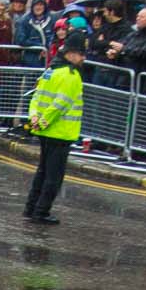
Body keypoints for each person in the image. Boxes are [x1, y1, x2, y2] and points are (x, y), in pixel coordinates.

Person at [22, 31, 84, 225]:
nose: (83, 58)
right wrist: (44, 121)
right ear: (71, 53)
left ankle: (31, 207)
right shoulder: (71, 75)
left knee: (42, 172)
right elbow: (60, 104)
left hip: (44, 130)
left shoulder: (50, 70)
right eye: (81, 54)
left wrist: (35, 119)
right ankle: (41, 212)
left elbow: (37, 97)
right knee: (53, 177)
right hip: (60, 131)